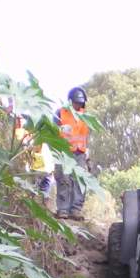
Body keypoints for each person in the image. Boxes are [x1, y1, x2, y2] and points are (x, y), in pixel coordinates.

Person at [53, 87, 90, 220]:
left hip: (80, 153)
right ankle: (63, 209)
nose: (78, 105)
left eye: (80, 103)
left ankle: (75, 210)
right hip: (64, 152)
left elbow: (86, 135)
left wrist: (88, 153)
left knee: (79, 181)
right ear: (70, 101)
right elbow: (53, 131)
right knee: (64, 179)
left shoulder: (85, 116)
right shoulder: (60, 112)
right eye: (75, 102)